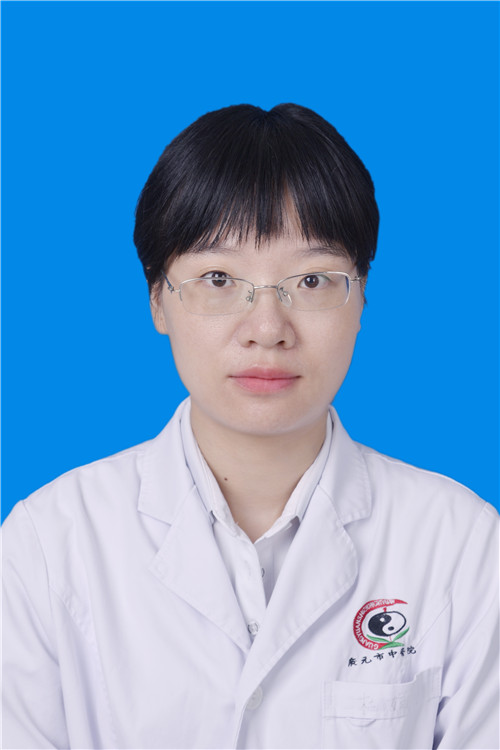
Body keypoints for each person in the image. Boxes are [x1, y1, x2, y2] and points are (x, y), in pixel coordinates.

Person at [2, 103, 498, 750]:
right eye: (218, 278)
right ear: (157, 300)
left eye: (312, 279)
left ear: (361, 298)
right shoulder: (48, 545)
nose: (267, 328)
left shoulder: (461, 545)